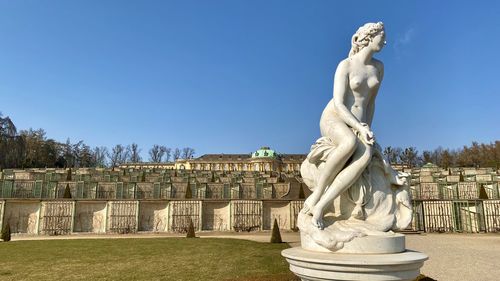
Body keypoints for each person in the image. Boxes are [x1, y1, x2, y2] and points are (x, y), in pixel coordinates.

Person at [302, 22, 386, 229]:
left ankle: (322, 205)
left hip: (360, 122)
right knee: (348, 142)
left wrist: (367, 129)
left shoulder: (379, 68)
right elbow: (339, 103)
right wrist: (358, 128)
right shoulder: (345, 65)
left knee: (365, 154)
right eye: (381, 36)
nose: (384, 41)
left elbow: (371, 103)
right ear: (368, 37)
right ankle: (317, 195)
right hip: (334, 117)